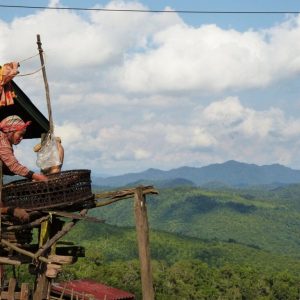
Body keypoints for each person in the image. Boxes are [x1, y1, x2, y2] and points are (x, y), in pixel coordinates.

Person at [0, 115, 48, 222]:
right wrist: (35, 176)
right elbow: (13, 166)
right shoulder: (2, 141)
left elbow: (9, 167)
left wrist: (25, 174)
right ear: (11, 131)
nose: (21, 138)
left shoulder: (5, 140)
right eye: (20, 134)